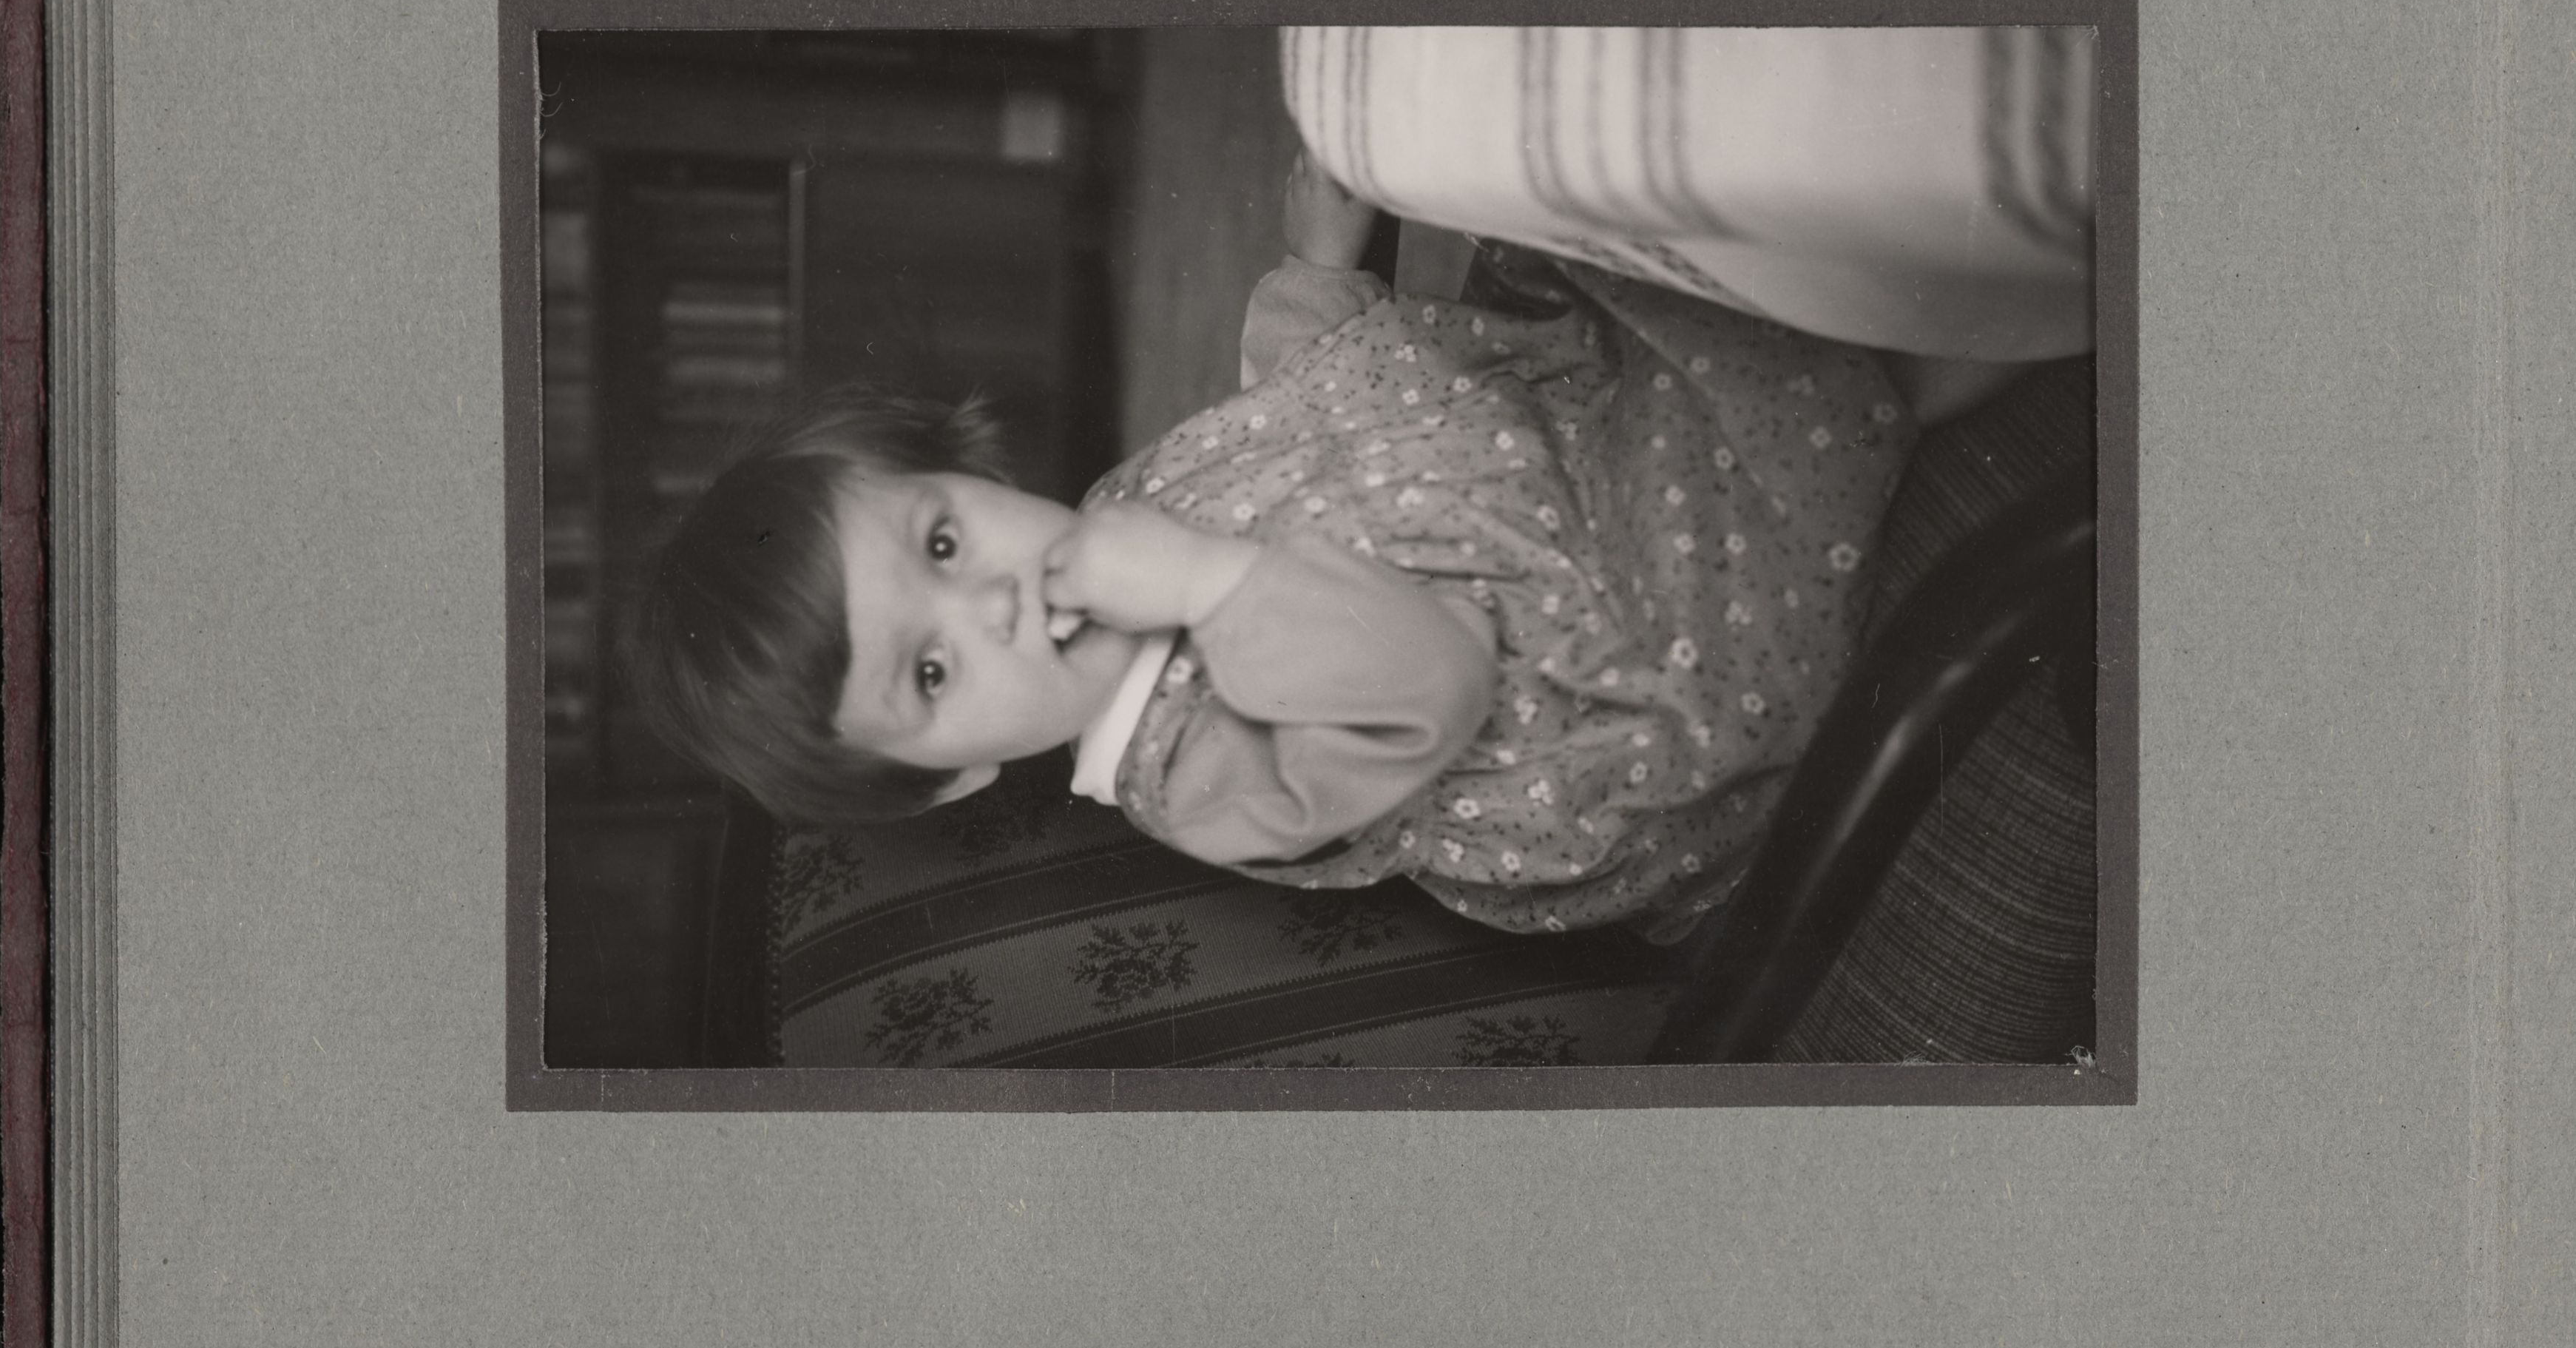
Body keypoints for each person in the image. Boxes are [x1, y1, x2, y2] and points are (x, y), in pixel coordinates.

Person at [633, 156, 1957, 940]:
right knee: (1791, 375)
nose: (987, 604)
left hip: (1525, 463)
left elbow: (1291, 429)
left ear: (973, 475)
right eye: (930, 674)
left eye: (940, 541)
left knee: (1559, 211)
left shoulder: (1115, 520)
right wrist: (1209, 585)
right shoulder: (1202, 783)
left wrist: (1314, 263)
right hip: (1634, 667)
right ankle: (1947, 353)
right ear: (952, 779)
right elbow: (1424, 682)